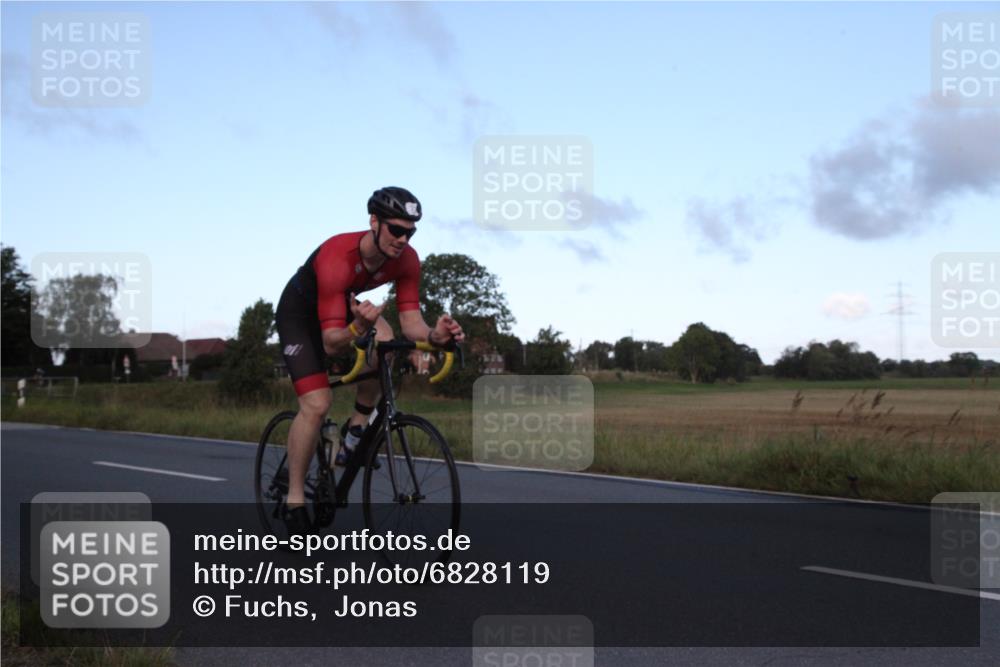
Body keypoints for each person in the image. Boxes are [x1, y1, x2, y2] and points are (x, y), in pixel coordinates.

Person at [275, 186, 464, 534]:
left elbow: (412, 324)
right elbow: (332, 345)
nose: (403, 239)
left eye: (410, 232)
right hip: (299, 316)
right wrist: (357, 328)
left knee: (389, 341)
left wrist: (436, 337)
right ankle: (295, 498)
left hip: (341, 309)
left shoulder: (406, 260)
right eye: (396, 229)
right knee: (317, 404)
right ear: (374, 222)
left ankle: (356, 429)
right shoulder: (338, 257)